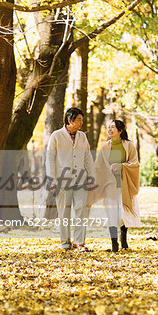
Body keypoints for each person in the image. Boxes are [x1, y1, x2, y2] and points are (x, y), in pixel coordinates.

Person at [46, 107, 95, 251]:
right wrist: (51, 179)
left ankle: (79, 242)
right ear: (70, 120)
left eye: (82, 120)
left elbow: (87, 157)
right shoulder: (56, 136)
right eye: (79, 119)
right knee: (64, 212)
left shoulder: (82, 136)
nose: (81, 123)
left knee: (81, 209)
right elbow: (50, 158)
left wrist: (92, 177)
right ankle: (65, 243)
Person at [89, 119, 141, 252]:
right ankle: (114, 244)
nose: (110, 129)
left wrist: (121, 166)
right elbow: (98, 166)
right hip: (109, 185)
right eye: (108, 127)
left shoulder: (128, 146)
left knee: (123, 214)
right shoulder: (105, 147)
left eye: (113, 127)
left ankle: (124, 241)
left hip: (124, 184)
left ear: (120, 130)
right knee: (111, 214)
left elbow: (134, 163)